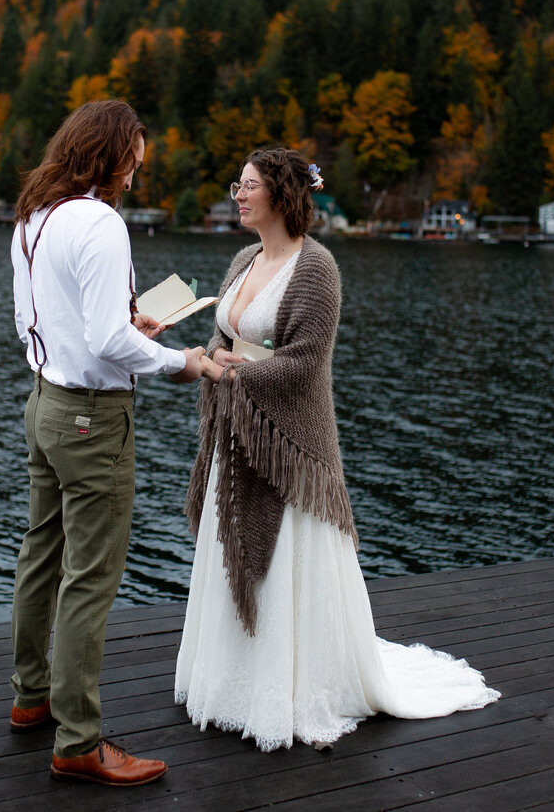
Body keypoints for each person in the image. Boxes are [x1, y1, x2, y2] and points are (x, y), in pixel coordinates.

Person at [175, 147, 500, 752]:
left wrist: (230, 376)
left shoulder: (317, 266)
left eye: (247, 186)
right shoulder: (243, 259)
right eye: (236, 185)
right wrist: (210, 358)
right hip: (236, 432)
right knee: (232, 549)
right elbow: (223, 333)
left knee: (288, 565)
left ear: (279, 195)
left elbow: (304, 361)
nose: (238, 195)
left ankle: (294, 690)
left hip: (287, 441)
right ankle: (230, 685)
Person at [9, 100, 204, 786]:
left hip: (43, 403)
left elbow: (43, 315)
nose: (134, 177)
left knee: (42, 554)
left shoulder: (35, 214)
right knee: (88, 578)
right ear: (110, 154)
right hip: (91, 419)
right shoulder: (100, 222)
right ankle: (79, 740)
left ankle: (31, 698)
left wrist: (124, 324)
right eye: (133, 163)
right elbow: (104, 341)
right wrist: (185, 360)